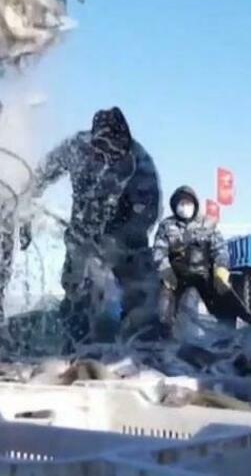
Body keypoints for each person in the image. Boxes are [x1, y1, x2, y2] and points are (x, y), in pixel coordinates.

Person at [32, 107, 161, 344]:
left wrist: (118, 241)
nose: (108, 154)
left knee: (140, 288)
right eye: (102, 146)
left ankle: (144, 342)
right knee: (77, 288)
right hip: (82, 231)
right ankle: (75, 339)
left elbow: (148, 212)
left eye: (115, 148)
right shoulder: (77, 147)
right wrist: (29, 192)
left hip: (126, 235)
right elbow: (44, 170)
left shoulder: (139, 161)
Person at [153, 186, 239, 331]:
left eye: (188, 203)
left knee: (226, 300)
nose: (184, 207)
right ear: (175, 206)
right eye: (181, 203)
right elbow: (158, 251)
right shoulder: (166, 225)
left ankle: (227, 334)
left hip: (204, 274)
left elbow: (220, 249)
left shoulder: (207, 224)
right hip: (176, 276)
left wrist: (221, 268)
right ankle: (167, 335)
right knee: (164, 310)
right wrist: (165, 270)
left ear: (195, 204)